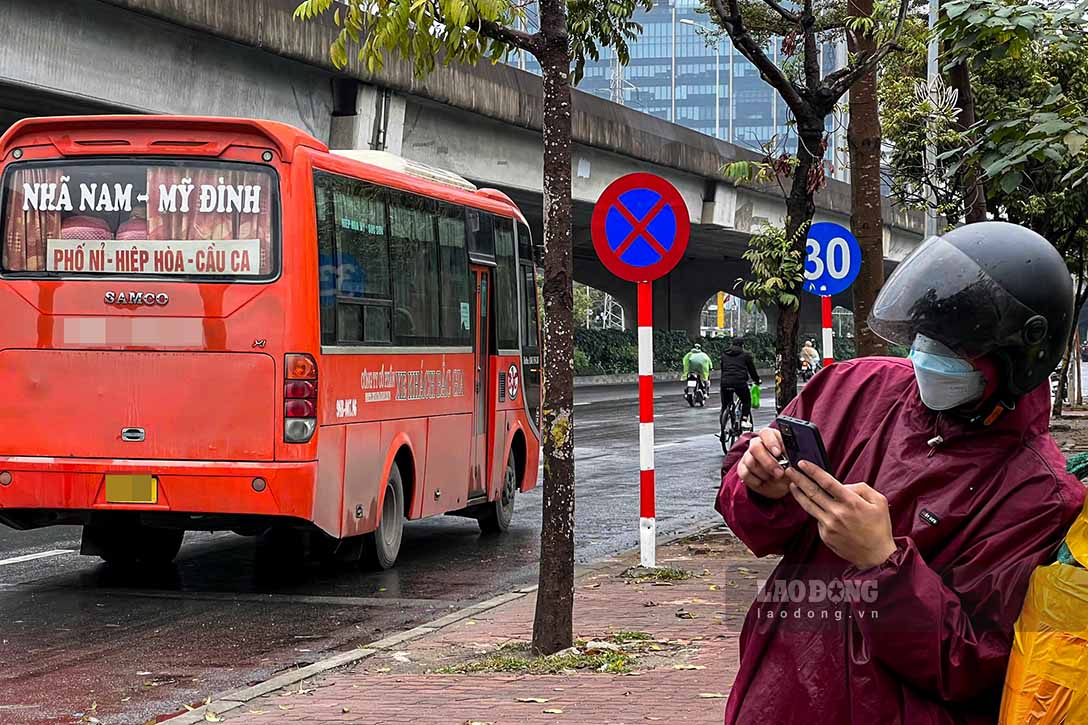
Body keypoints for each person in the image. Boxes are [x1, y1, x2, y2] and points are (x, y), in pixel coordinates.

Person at [716, 222, 1087, 724]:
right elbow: (750, 515)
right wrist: (758, 485)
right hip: (777, 694)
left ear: (1018, 357)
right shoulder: (855, 387)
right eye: (923, 335)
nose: (925, 356)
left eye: (953, 346)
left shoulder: (1040, 494)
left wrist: (882, 564)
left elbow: (972, 663)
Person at [720, 337, 761, 429]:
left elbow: (723, 368)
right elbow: (752, 370)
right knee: (746, 400)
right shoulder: (746, 355)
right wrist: (757, 380)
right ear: (743, 345)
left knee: (725, 404)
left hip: (725, 382)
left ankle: (723, 421)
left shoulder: (724, 354)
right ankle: (744, 420)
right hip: (739, 382)